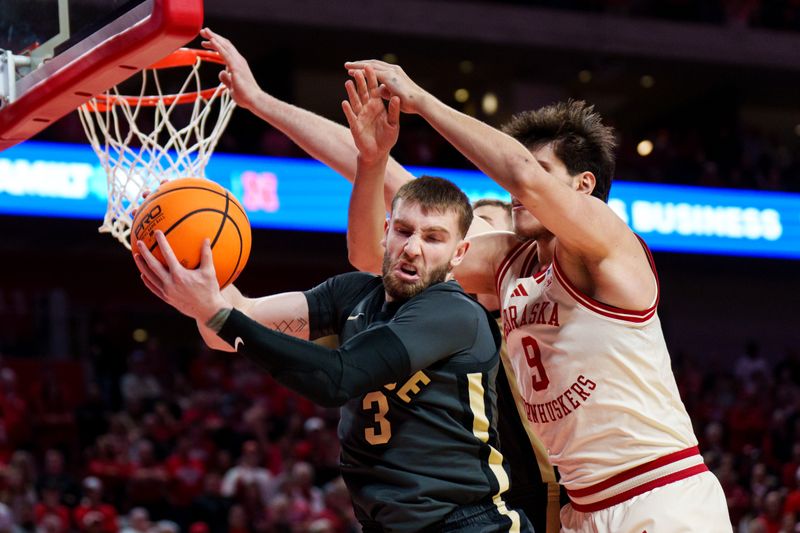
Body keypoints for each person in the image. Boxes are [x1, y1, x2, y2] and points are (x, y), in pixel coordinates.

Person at [133, 71, 532, 530]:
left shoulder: (454, 313)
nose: (413, 247)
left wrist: (217, 312)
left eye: (434, 238)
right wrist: (187, 259)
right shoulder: (353, 294)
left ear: (460, 253)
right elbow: (232, 328)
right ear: (387, 231)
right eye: (403, 231)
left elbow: (335, 378)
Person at [343, 60, 733, 531]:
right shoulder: (509, 259)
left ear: (583, 186)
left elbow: (523, 175)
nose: (512, 192)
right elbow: (370, 255)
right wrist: (370, 161)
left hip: (658, 493)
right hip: (581, 508)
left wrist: (422, 101)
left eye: (544, 170)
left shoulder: (608, 244)